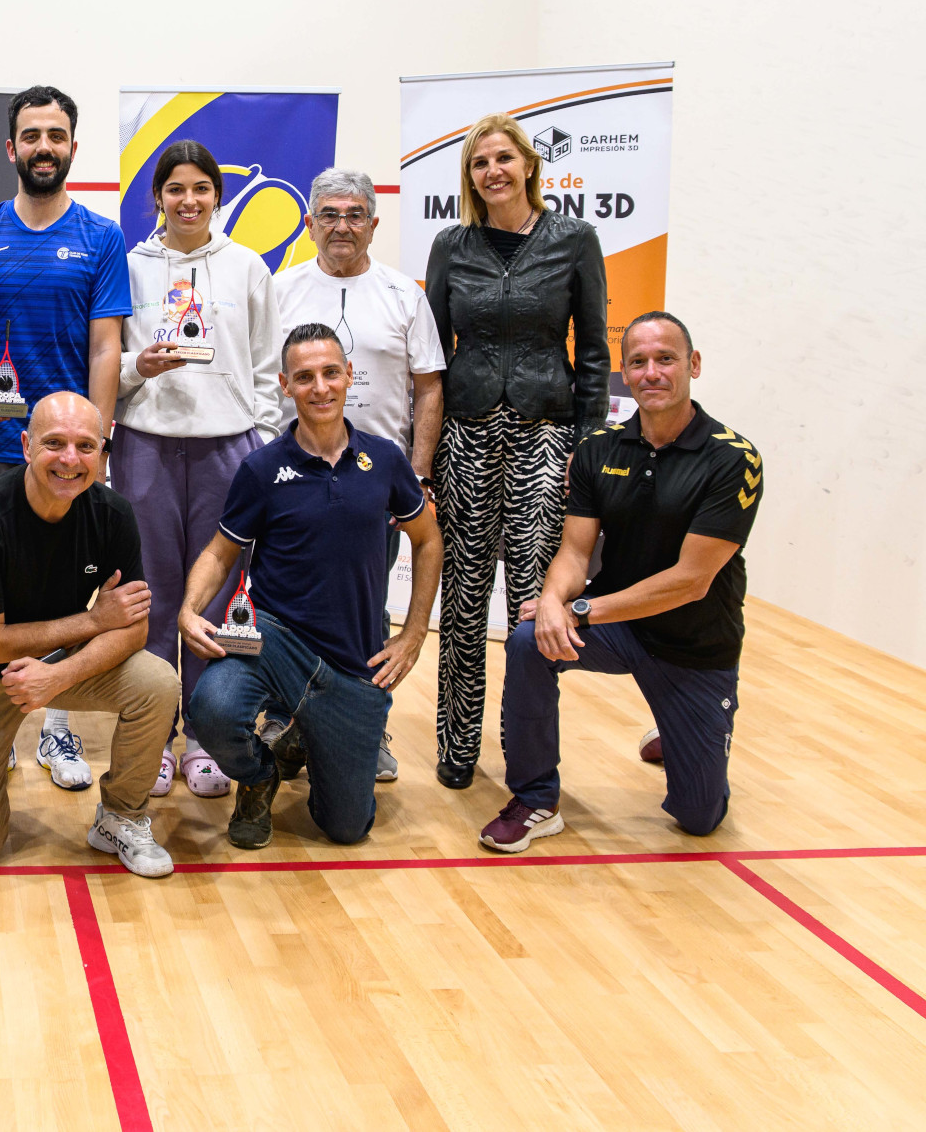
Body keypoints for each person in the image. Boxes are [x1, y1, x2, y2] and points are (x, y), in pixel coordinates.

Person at [481, 313, 760, 851]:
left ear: (693, 365)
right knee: (529, 641)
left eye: (666, 359)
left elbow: (691, 580)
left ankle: (679, 727)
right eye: (638, 362)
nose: (652, 372)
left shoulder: (733, 459)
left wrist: (580, 612)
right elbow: (575, 550)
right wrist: (555, 599)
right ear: (624, 374)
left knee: (699, 819)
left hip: (695, 647)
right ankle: (536, 797)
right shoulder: (597, 449)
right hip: (622, 631)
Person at [181, 323, 443, 849]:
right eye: (304, 377)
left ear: (349, 376)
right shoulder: (261, 468)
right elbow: (218, 550)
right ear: (284, 385)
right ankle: (259, 776)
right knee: (209, 708)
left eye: (329, 373)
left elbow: (428, 541)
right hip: (272, 637)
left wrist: (414, 634)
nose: (319, 387)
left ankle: (296, 736)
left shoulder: (385, 459)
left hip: (354, 661)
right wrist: (189, 609)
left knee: (347, 829)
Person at [0, 85, 130, 792]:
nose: (44, 147)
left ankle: (54, 723)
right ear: (11, 148)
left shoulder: (100, 237)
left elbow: (106, 347)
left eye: (56, 135)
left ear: (73, 148)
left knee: (63, 596)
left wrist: (98, 442)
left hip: (69, 461)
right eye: (32, 135)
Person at [424, 113, 608, 790]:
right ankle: (457, 745)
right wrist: (431, 449)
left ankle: (528, 757)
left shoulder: (574, 241)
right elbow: (433, 358)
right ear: (469, 178)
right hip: (466, 436)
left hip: (546, 435)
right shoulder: (452, 244)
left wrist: (583, 454)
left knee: (534, 609)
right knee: (464, 599)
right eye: (479, 163)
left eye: (503, 158)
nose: (492, 171)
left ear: (529, 164)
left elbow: (593, 352)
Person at [0, 392, 180, 875]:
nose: (70, 459)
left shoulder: (113, 514)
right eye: (55, 443)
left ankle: (120, 817)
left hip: (53, 664)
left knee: (157, 682)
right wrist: (91, 622)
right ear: (25, 445)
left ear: (104, 453)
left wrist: (57, 678)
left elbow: (135, 628)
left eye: (86, 446)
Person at [112, 139, 282, 800]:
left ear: (217, 195)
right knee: (150, 599)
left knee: (215, 602)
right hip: (146, 445)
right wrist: (139, 368)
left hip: (227, 451)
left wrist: (262, 443)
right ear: (157, 196)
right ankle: (154, 736)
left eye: (201, 189)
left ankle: (208, 738)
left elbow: (268, 365)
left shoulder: (246, 266)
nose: (188, 200)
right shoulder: (128, 266)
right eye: (175, 188)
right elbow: (113, 359)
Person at [272, 166, 447, 782]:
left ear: (373, 224)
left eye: (354, 215)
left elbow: (428, 388)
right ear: (310, 222)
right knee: (287, 600)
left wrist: (418, 473)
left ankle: (367, 728)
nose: (341, 226)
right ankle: (285, 722)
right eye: (329, 214)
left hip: (377, 480)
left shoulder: (405, 295)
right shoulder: (281, 289)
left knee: (366, 607)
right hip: (292, 477)